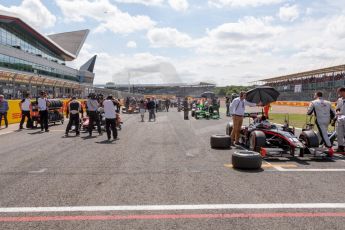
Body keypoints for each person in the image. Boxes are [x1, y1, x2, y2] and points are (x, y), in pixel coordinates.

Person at [336, 88, 345, 152]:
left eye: (339, 92)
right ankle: (340, 147)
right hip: (340, 117)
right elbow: (337, 108)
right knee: (339, 133)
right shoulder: (339, 99)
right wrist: (337, 112)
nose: (338, 94)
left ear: (343, 92)